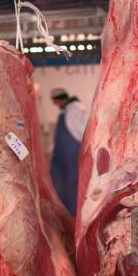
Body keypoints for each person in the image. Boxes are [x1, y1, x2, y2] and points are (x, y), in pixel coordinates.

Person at [49, 87, 88, 215]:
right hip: (62, 158)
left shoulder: (76, 108)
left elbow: (83, 132)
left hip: (71, 156)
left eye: (55, 102)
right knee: (61, 185)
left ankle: (75, 216)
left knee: (73, 186)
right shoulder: (65, 111)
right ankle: (67, 215)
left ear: (59, 99)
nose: (55, 105)